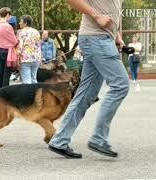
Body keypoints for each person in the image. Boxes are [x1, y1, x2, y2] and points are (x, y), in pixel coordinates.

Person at [48, 0, 129, 159]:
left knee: (87, 94)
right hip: (97, 39)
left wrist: (117, 36)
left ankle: (59, 140)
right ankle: (99, 138)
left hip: (101, 38)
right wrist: (97, 17)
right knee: (120, 85)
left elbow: (110, 10)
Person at [0, 7, 18, 89]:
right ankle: (5, 93)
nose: (10, 17)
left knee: (0, 73)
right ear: (7, 15)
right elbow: (14, 41)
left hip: (0, 50)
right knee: (6, 75)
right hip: (8, 52)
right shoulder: (7, 26)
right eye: (10, 15)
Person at [17, 15, 41, 84]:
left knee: (27, 80)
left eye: (21, 21)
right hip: (36, 58)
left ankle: (28, 94)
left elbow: (19, 46)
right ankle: (36, 93)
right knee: (34, 79)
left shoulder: (20, 32)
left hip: (25, 58)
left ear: (25, 23)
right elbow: (38, 45)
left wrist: (17, 59)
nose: (19, 23)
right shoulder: (36, 32)